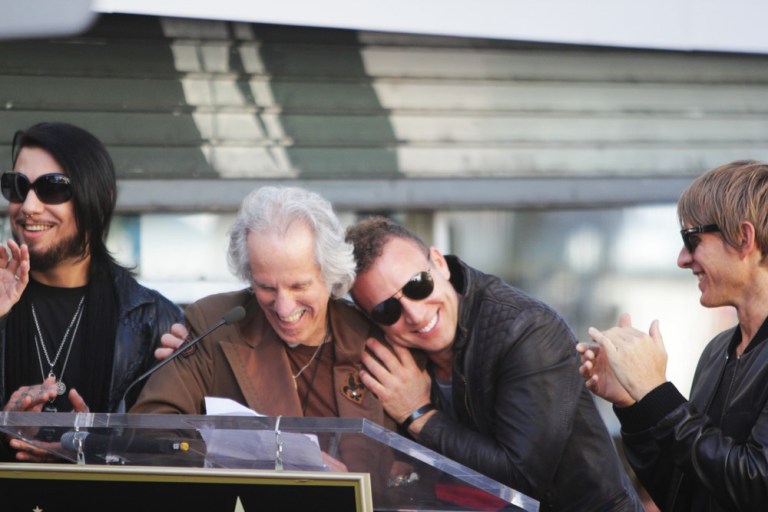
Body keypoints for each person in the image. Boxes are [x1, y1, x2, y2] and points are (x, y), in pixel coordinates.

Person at [346, 215, 644, 512]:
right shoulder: (393, 360)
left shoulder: (526, 329)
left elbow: (520, 477)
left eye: (417, 285)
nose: (414, 314)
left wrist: (420, 414)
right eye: (387, 309)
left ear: (439, 262)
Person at [132, 186, 394, 478]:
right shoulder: (216, 325)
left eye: (299, 286)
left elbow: (415, 463)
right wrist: (265, 457)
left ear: (330, 273)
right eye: (266, 287)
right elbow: (150, 430)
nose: (283, 308)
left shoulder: (372, 337)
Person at [578, 160, 768, 512]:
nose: (682, 259)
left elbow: (757, 485)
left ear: (744, 238)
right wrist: (633, 404)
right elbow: (682, 495)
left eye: (692, 240)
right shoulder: (717, 351)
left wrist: (656, 392)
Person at [0, 122, 183, 461]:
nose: (28, 206)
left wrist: (96, 448)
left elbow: (181, 451)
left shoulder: (153, 319)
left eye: (52, 188)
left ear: (98, 200)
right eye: (17, 186)